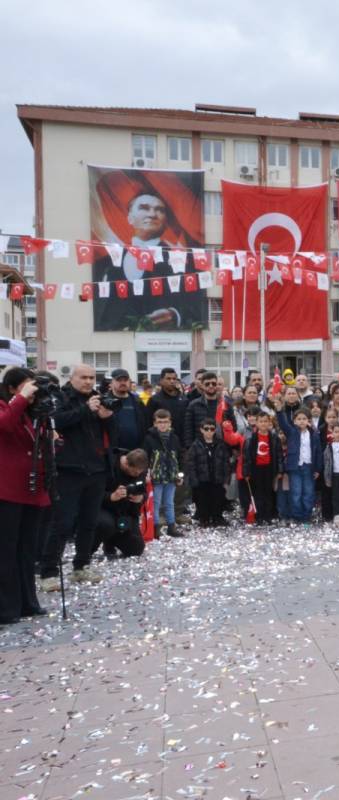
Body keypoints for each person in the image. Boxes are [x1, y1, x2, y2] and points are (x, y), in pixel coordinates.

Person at [40, 364, 116, 591]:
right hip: (69, 470)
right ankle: (49, 572)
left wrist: (107, 417)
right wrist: (85, 409)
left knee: (89, 522)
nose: (88, 381)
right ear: (72, 378)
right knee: (62, 524)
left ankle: (81, 565)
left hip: (96, 469)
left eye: (92, 377)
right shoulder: (61, 397)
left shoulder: (97, 399)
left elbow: (113, 436)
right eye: (83, 377)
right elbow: (54, 422)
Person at [91, 191, 205, 330]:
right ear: (130, 218)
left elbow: (199, 304)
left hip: (164, 340)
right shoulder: (105, 263)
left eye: (159, 210)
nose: (152, 214)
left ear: (166, 221)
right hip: (115, 342)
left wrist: (175, 315)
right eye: (144, 208)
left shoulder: (186, 260)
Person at [0, 368, 50, 623]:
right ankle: (7, 608)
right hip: (7, 490)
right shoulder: (7, 408)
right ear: (11, 388)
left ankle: (28, 602)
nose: (33, 392)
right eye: (28, 386)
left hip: (31, 489)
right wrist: (21, 399)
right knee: (6, 550)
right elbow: (5, 424)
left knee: (27, 549)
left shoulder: (32, 413)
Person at [94, 449, 150, 560]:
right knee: (106, 525)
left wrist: (141, 498)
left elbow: (143, 491)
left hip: (127, 513)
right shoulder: (109, 466)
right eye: (134, 472)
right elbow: (93, 494)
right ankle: (86, 553)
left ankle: (111, 539)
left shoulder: (140, 470)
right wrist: (111, 496)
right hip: (106, 510)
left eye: (140, 472)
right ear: (125, 464)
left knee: (136, 548)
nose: (137, 475)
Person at [277, 405, 323, 523]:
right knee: (296, 492)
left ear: (309, 420)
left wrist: (318, 469)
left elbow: (318, 452)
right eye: (299, 419)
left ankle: (306, 515)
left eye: (304, 419)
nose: (302, 421)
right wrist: (279, 410)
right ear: (294, 421)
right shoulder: (292, 432)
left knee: (308, 492)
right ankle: (297, 516)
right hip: (295, 467)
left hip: (309, 467)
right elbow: (283, 423)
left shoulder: (314, 434)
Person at [143, 409, 185, 538]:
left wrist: (180, 474)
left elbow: (179, 457)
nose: (163, 425)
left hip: (171, 475)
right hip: (156, 476)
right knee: (155, 502)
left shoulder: (175, 438)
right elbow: (145, 457)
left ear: (170, 423)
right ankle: (155, 527)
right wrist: (147, 473)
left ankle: (171, 526)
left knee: (169, 502)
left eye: (165, 422)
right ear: (155, 423)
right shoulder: (149, 439)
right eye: (160, 422)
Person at [242, 412, 283, 525]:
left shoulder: (274, 438)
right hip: (256, 469)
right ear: (257, 423)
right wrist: (246, 472)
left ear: (269, 423)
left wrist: (280, 470)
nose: (263, 424)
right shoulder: (251, 439)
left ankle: (268, 515)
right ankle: (259, 515)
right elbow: (246, 457)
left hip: (270, 468)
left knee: (269, 492)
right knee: (258, 493)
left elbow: (279, 455)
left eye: (266, 421)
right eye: (261, 421)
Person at [185, 419, 229, 527]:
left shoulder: (220, 444)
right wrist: (194, 479)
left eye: (212, 429)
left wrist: (226, 478)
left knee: (218, 498)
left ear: (215, 430)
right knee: (202, 500)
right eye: (206, 429)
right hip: (202, 479)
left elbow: (225, 461)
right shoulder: (195, 445)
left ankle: (217, 517)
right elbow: (191, 463)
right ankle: (204, 518)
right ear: (201, 430)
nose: (209, 431)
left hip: (217, 477)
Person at [184, 371, 234, 449]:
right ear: (202, 386)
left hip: (221, 448)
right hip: (200, 448)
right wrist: (190, 449)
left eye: (213, 383)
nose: (211, 386)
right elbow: (188, 431)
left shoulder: (226, 405)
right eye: (207, 384)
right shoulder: (193, 405)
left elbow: (233, 427)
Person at [104, 368, 149, 454]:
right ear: (112, 382)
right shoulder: (105, 402)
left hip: (136, 452)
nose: (123, 383)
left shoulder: (137, 401)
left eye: (125, 380)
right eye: (119, 380)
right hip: (114, 453)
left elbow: (145, 424)